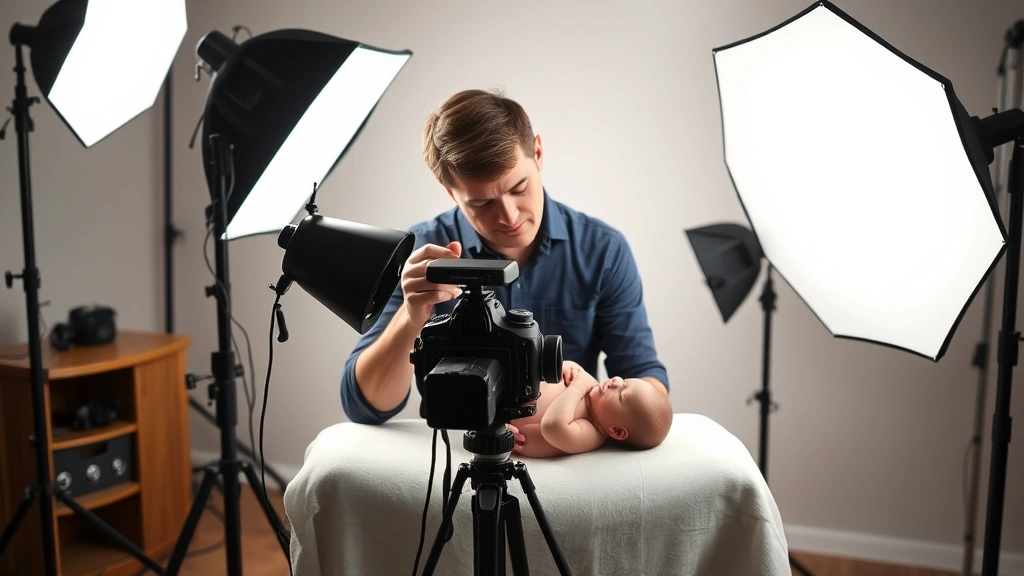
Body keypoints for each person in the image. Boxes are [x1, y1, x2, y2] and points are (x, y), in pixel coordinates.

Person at [341, 87, 669, 425]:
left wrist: (582, 431)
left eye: (519, 188)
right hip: (456, 444)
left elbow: (645, 383)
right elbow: (364, 405)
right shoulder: (423, 256)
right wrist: (411, 317)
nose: (509, 217)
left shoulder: (602, 251)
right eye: (482, 203)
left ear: (538, 152)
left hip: (564, 447)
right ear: (448, 190)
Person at [506, 361, 673, 458]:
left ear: (616, 431)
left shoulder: (591, 432)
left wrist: (578, 387)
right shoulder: (591, 384)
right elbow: (561, 365)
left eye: (622, 395)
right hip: (505, 384)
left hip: (501, 423)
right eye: (625, 380)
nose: (616, 380)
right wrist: (566, 367)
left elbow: (552, 426)